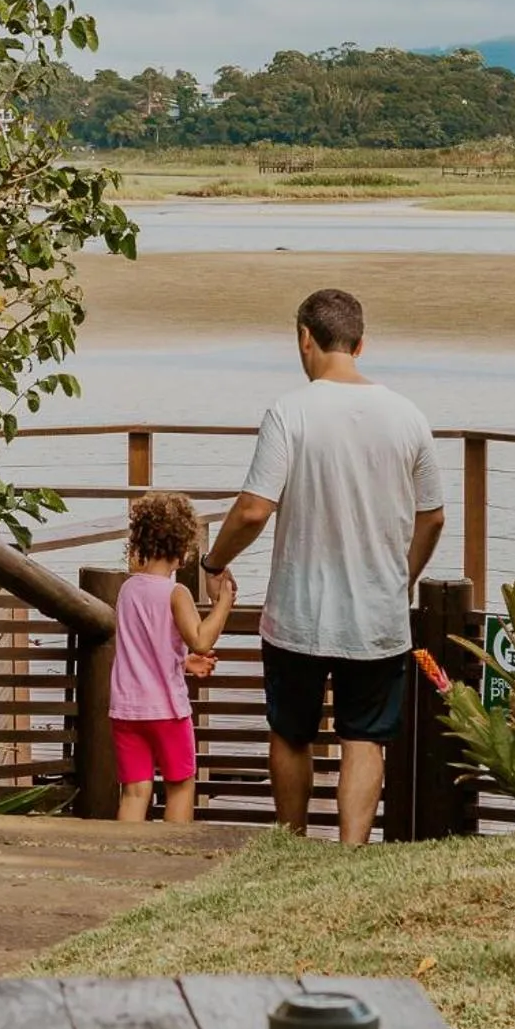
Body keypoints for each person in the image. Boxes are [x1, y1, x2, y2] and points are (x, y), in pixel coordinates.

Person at [199, 287, 445, 843]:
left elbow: (254, 509)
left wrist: (215, 561)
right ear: (360, 344)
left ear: (305, 338)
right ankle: (351, 854)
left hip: (298, 612)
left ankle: (292, 842)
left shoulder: (289, 412)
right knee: (365, 737)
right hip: (378, 615)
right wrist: (401, 578)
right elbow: (432, 518)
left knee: (291, 732)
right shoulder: (408, 416)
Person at [109, 491, 236, 825]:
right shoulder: (176, 593)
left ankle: (123, 852)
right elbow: (201, 640)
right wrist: (223, 603)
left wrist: (181, 662)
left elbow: (142, 647)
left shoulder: (127, 590)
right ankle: (174, 850)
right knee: (180, 786)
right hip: (167, 711)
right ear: (182, 549)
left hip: (126, 710)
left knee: (134, 792)